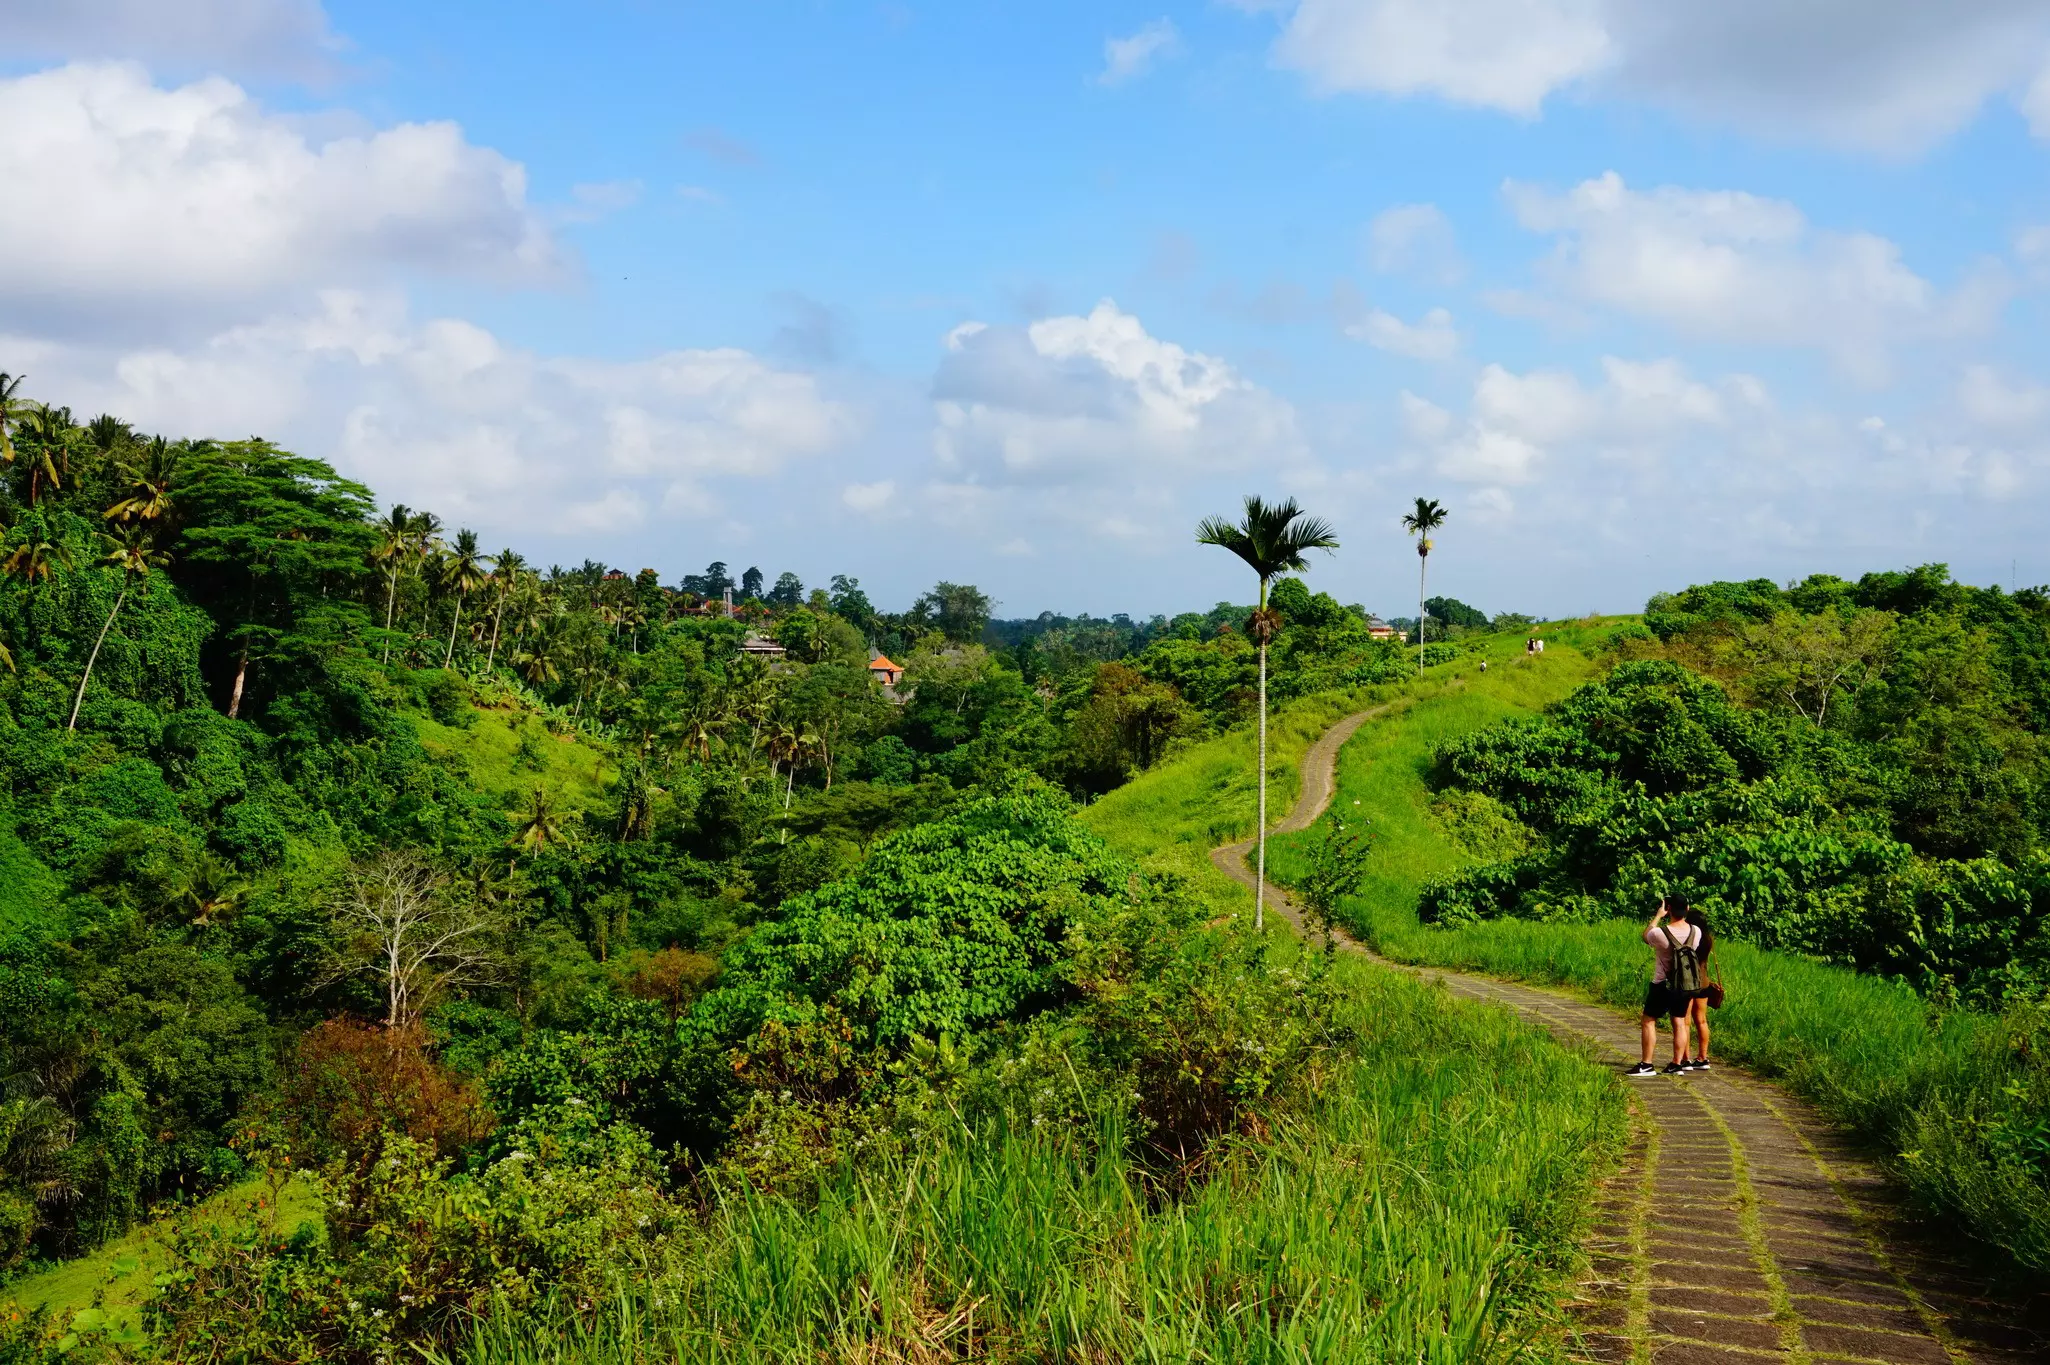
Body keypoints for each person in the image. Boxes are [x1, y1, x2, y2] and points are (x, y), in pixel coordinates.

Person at [1626, 895, 1698, 1077]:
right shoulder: (1696, 931)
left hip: (1663, 984)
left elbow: (1645, 935)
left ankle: (1647, 1064)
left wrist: (1658, 916)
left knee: (1649, 1020)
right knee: (1679, 1021)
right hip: (1685, 984)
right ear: (1687, 908)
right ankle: (1676, 1063)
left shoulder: (1660, 933)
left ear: (1669, 909)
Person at [1685, 911, 1715, 1072]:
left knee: (1686, 1021)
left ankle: (1686, 1058)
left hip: (1689, 981)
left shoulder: (1690, 938)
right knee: (1702, 1020)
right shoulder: (1708, 940)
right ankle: (1703, 1057)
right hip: (1704, 981)